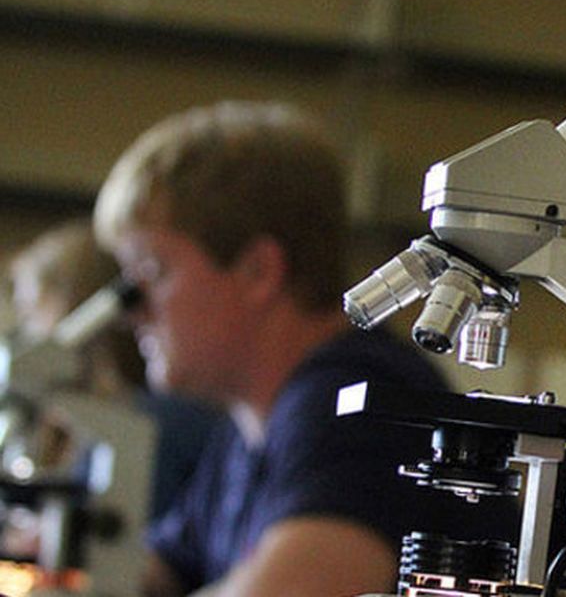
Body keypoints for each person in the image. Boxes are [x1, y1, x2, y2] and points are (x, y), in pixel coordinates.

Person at [92, 101, 485, 597]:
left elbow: (299, 589)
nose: (134, 310)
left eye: (152, 273)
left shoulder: (358, 397)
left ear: (258, 270)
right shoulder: (247, 429)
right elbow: (149, 573)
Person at [6, 218, 221, 520]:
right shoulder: (100, 426)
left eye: (34, 312)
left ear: (78, 311)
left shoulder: (153, 428)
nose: (27, 336)